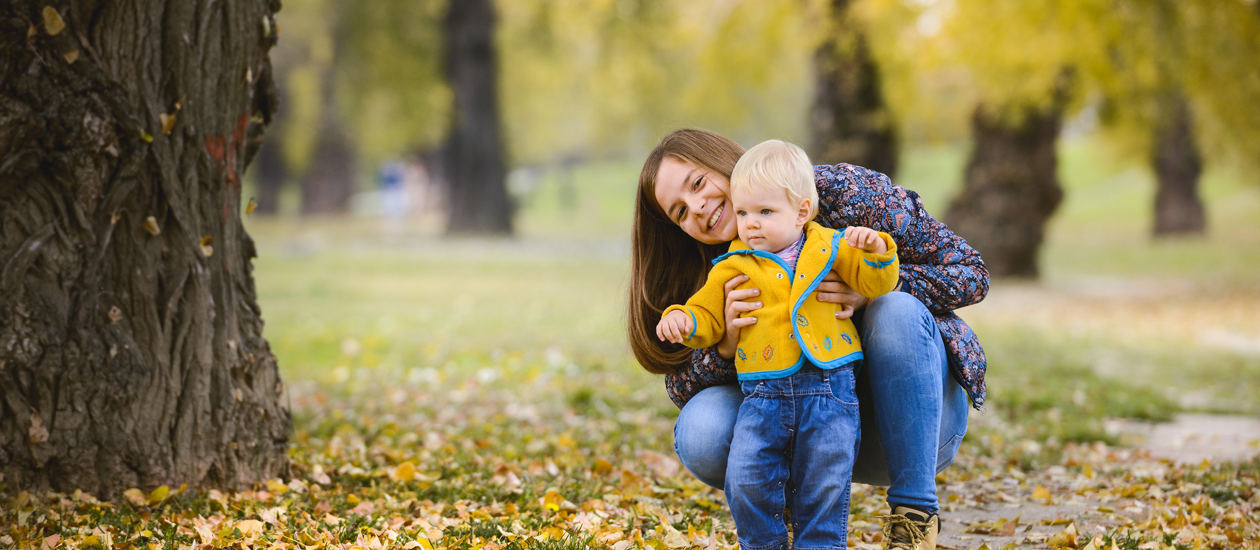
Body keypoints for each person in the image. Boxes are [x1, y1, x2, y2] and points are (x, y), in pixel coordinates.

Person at [628, 129, 989, 550]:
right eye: (680, 212)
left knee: (897, 311)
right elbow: (679, 384)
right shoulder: (716, 265)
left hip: (913, 426)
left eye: (697, 184)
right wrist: (725, 346)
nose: (698, 208)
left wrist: (873, 291)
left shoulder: (838, 193)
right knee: (701, 431)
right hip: (795, 425)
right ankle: (786, 511)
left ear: (722, 159)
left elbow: (970, 272)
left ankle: (914, 513)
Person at [656, 140, 899, 549]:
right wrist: (682, 318)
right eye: (744, 212)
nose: (750, 223)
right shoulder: (732, 266)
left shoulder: (830, 247)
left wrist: (876, 252)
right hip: (762, 396)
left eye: (765, 212)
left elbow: (877, 283)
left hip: (831, 393)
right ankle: (764, 543)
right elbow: (707, 315)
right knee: (747, 477)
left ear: (802, 211)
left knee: (825, 480)